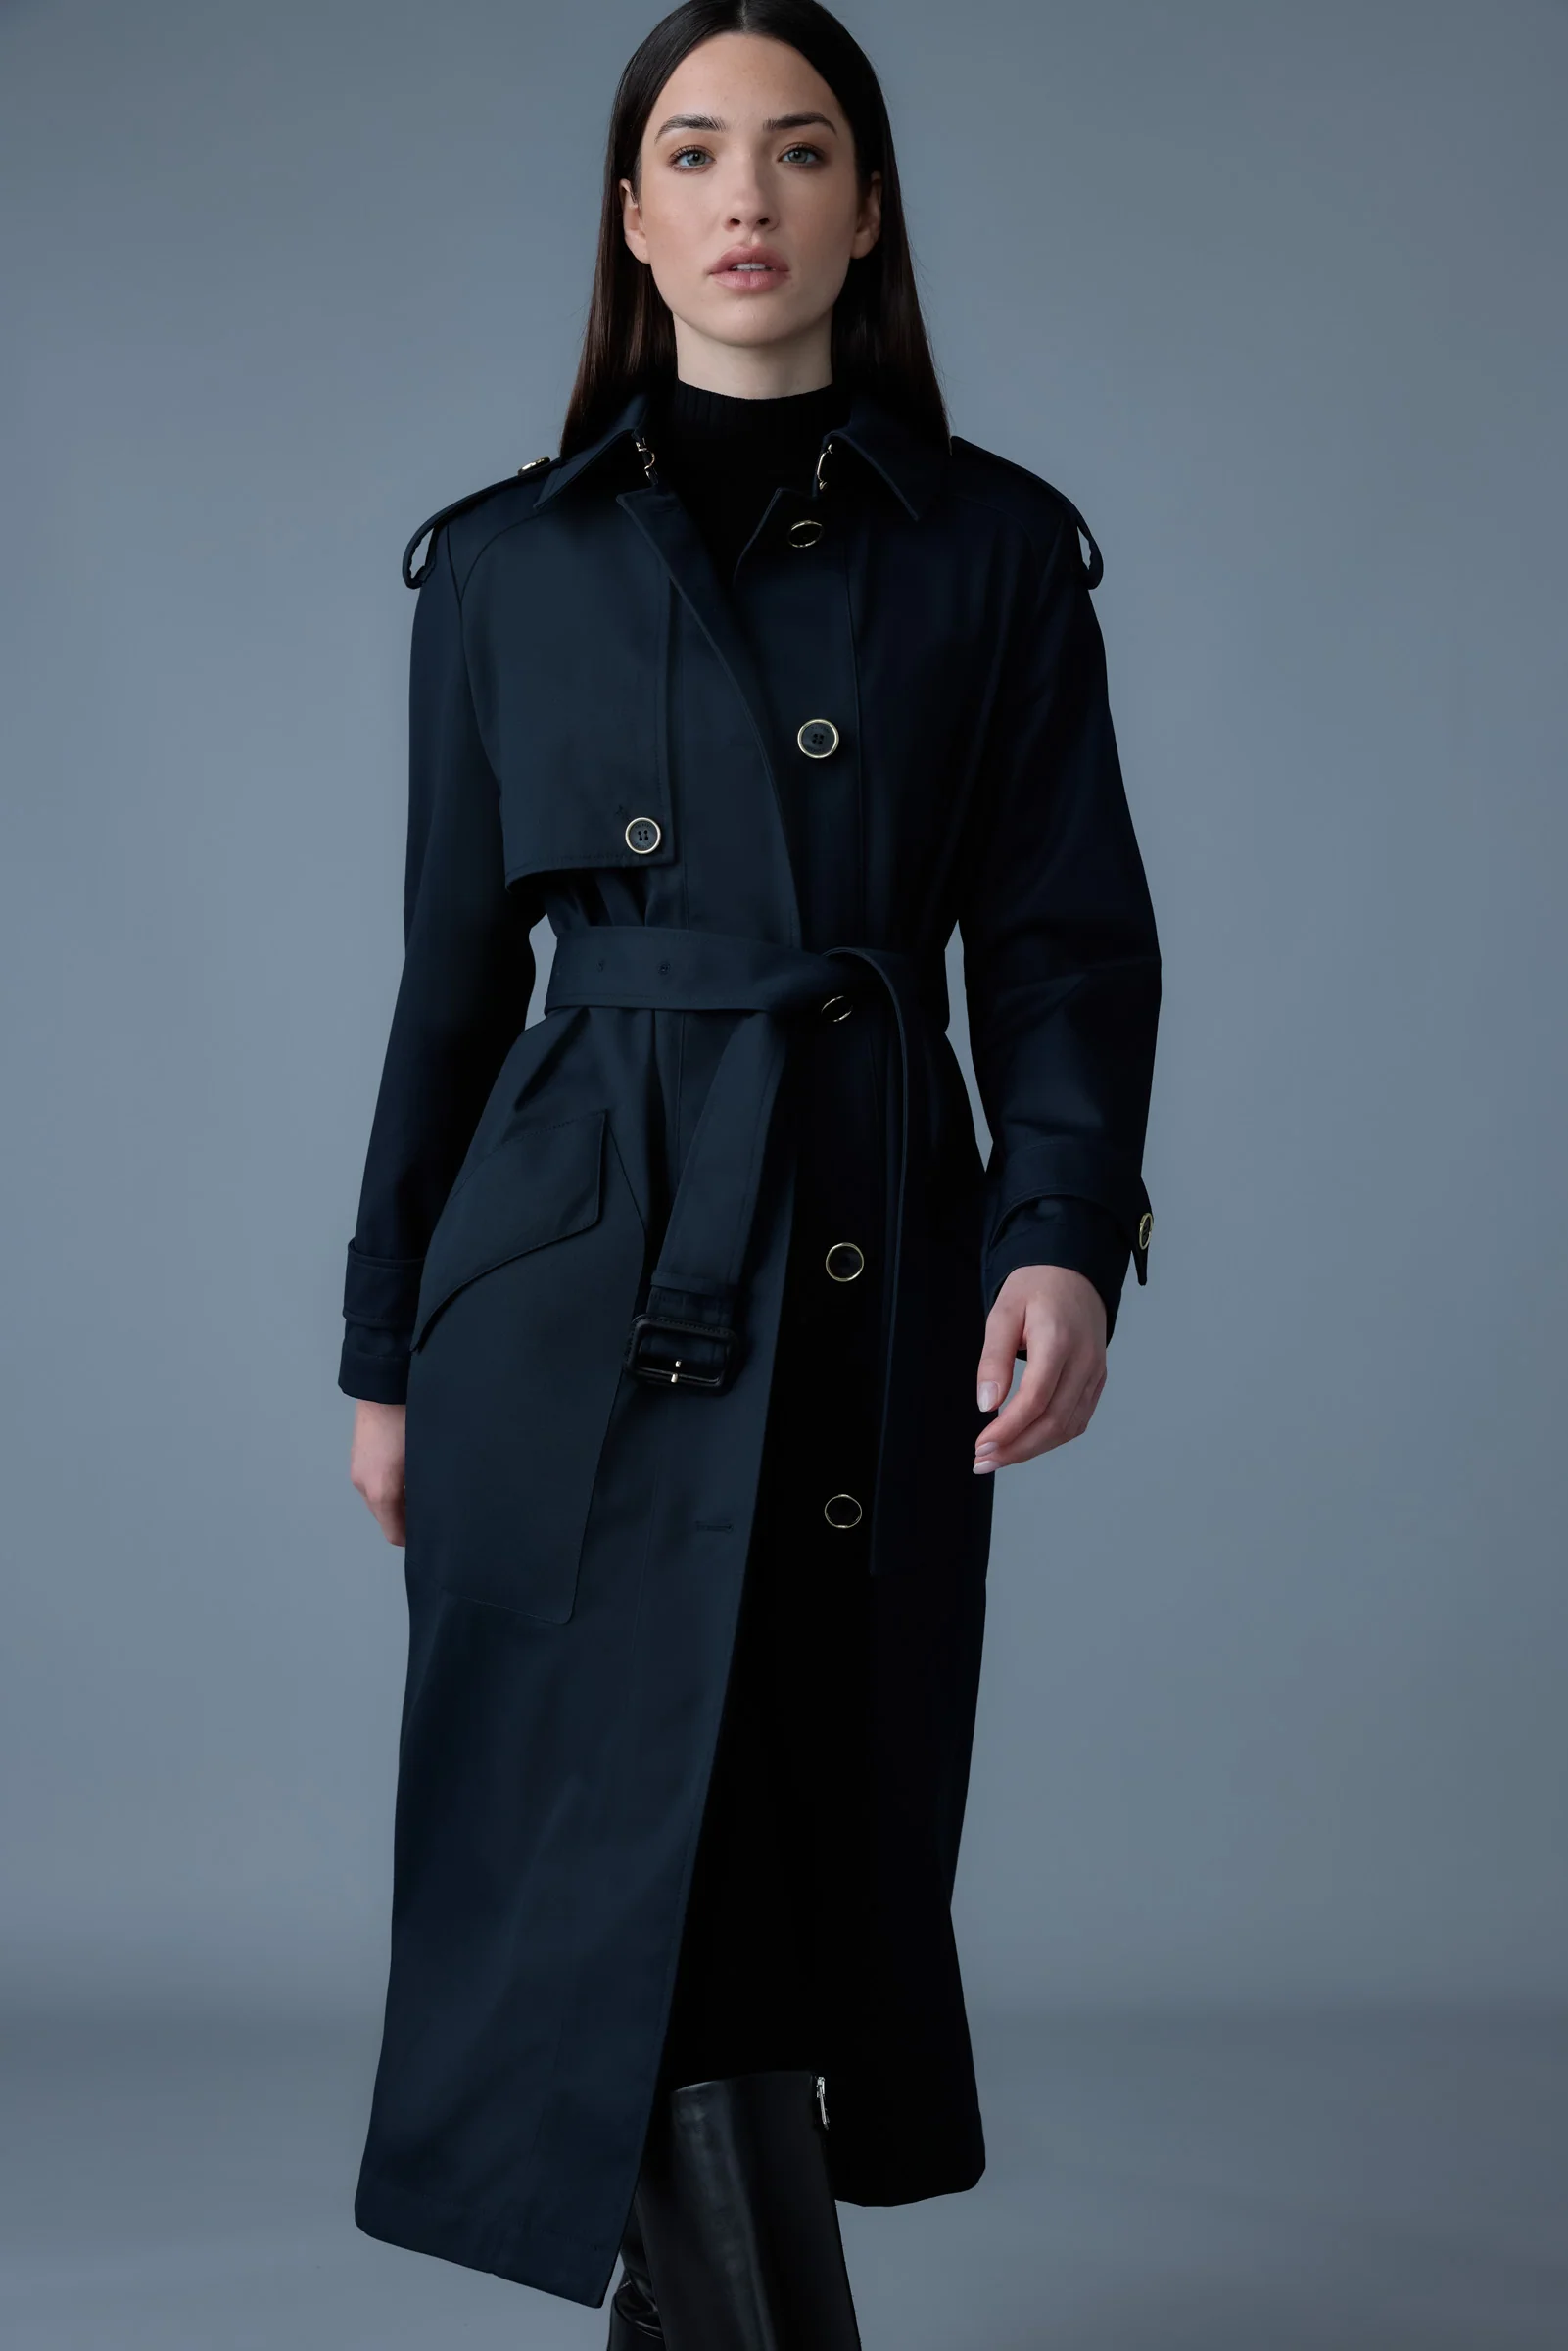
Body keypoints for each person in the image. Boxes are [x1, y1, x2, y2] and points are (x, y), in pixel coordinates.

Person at [338, 2, 1161, 2343]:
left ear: (865, 208)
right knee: (627, 1843)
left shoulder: (990, 551)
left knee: (779, 1840)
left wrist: (1059, 1237)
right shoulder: (503, 567)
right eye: (691, 151)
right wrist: (385, 1348)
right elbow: (444, 989)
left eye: (799, 151)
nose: (744, 197)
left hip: (864, 1252)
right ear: (628, 215)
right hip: (560, 1278)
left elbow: (1064, 943)